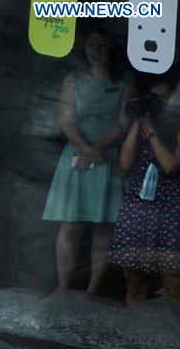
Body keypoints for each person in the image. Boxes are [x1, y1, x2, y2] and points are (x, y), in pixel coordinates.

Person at [42, 27, 134, 295]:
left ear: (112, 49)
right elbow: (66, 121)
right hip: (77, 155)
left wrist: (97, 149)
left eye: (102, 45)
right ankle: (63, 284)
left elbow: (124, 122)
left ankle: (92, 288)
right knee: (69, 225)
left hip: (109, 154)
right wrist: (86, 149)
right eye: (91, 45)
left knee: (103, 227)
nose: (96, 51)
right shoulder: (73, 79)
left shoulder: (125, 80)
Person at [110, 69, 180, 307]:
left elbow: (171, 164)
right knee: (135, 281)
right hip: (139, 206)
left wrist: (149, 129)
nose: (161, 104)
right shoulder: (146, 124)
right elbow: (124, 163)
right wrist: (139, 122)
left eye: (165, 98)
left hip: (173, 208)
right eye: (154, 99)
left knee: (176, 285)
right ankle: (131, 336)